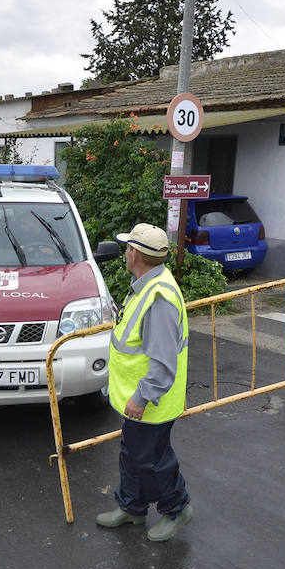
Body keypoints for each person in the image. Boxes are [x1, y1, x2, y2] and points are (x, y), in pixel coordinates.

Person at [96, 223, 194, 542]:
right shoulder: (144, 284)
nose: (125, 252)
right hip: (135, 400)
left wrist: (141, 397)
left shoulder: (159, 299)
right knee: (132, 453)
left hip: (150, 402)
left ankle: (177, 508)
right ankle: (132, 507)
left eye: (127, 248)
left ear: (135, 253)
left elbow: (163, 364)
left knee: (151, 461)